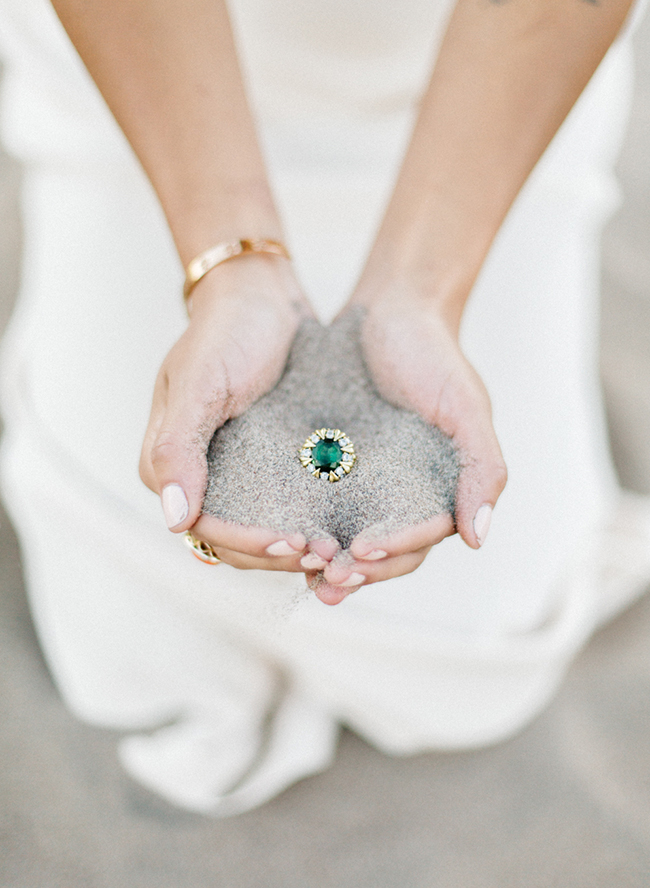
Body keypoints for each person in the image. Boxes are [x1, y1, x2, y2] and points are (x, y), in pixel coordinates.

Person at [1, 0, 649, 815]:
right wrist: (229, 269)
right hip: (151, 73)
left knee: (471, 651)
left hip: (495, 87)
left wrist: (421, 293)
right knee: (136, 655)